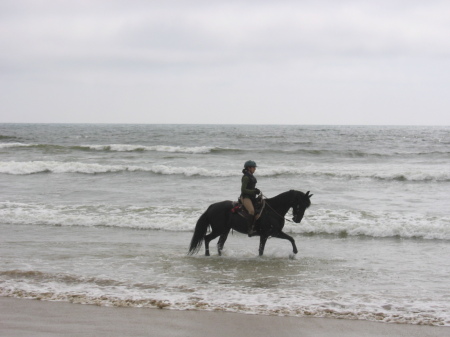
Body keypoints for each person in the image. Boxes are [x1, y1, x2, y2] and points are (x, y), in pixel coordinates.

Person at [240, 160, 260, 236]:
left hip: (252, 197)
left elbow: (251, 188)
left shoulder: (252, 176)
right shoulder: (246, 177)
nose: (255, 169)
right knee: (251, 211)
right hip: (245, 197)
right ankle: (249, 229)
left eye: (255, 167)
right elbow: (243, 189)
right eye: (254, 167)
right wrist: (253, 191)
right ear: (249, 168)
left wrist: (256, 191)